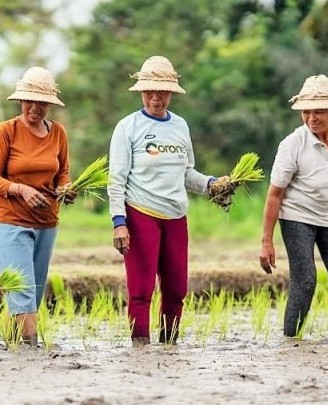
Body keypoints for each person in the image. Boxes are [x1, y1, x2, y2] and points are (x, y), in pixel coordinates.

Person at [107, 55, 218, 347]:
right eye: (150, 91)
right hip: (140, 213)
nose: (156, 97)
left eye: (162, 92)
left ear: (171, 93)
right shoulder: (128, 127)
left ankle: (170, 346)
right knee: (141, 289)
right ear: (142, 92)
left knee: (176, 287)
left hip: (175, 217)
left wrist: (211, 185)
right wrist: (119, 222)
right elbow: (116, 178)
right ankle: (140, 347)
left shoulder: (180, 126)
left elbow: (187, 172)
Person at [260, 74, 328, 338]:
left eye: (318, 112)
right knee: (305, 280)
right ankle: (291, 339)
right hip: (297, 216)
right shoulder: (293, 144)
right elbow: (274, 195)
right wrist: (266, 242)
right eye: (306, 112)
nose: (311, 118)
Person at [0, 66, 75, 346]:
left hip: (47, 221)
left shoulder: (58, 132)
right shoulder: (6, 131)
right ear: (20, 100)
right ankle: (32, 349)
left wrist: (67, 189)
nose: (34, 107)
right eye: (29, 100)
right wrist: (20, 189)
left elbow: (63, 173)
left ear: (49, 104)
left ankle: (12, 344)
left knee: (32, 292)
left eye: (41, 102)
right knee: (22, 290)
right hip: (11, 220)